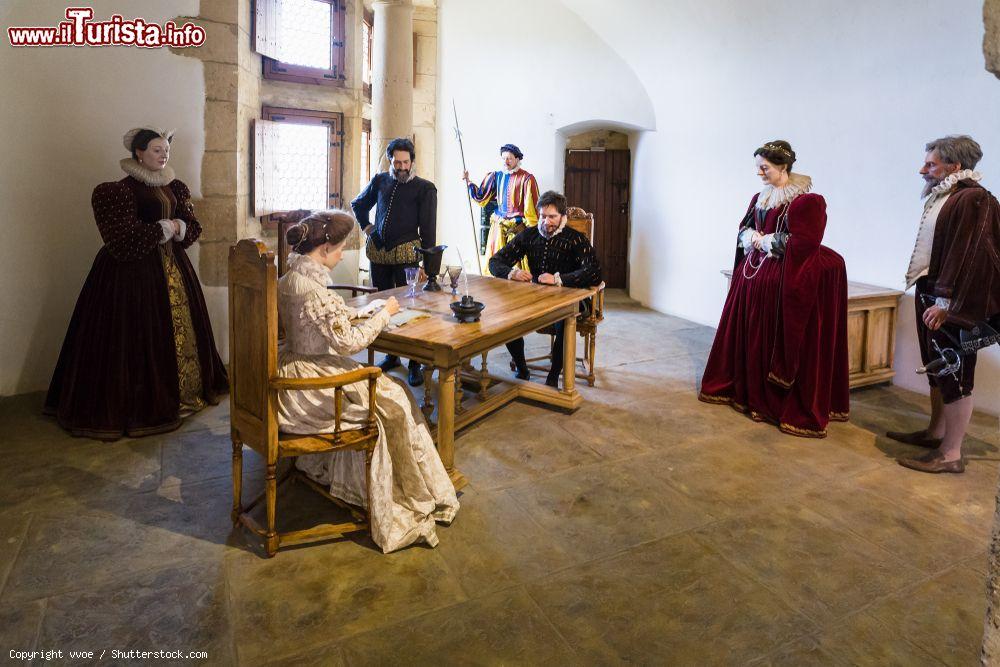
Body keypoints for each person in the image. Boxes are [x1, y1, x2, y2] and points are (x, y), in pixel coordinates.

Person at [277, 210, 459, 552]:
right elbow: (348, 343)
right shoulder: (312, 289)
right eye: (341, 248)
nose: (343, 254)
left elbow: (323, 317)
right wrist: (385, 316)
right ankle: (411, 491)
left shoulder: (293, 278)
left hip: (294, 364)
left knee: (394, 390)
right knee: (393, 397)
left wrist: (366, 310)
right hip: (309, 380)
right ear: (325, 247)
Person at [45, 127, 228, 440]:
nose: (163, 155)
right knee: (134, 337)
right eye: (156, 150)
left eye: (165, 150)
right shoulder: (115, 191)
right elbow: (121, 240)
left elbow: (193, 228)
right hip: (129, 277)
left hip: (173, 267)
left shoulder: (176, 187)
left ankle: (186, 391)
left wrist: (180, 227)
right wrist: (163, 228)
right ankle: (138, 405)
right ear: (139, 153)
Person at [699, 140, 850, 437]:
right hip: (753, 277)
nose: (759, 173)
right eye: (758, 168)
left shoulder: (807, 201)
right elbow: (742, 228)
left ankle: (777, 399)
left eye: (764, 167)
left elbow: (805, 242)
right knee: (750, 336)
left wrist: (767, 241)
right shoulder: (760, 197)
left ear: (782, 166)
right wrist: (752, 236)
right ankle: (746, 390)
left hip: (782, 277)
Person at [891, 135, 1000, 473]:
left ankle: (951, 454)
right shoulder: (950, 195)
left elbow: (968, 256)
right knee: (938, 370)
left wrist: (947, 303)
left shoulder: (973, 199)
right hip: (933, 290)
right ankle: (935, 432)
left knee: (956, 373)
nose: (923, 169)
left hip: (951, 299)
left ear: (954, 167)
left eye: (931, 164)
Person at [489, 190, 602, 387]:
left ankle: (553, 377)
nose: (546, 221)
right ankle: (523, 369)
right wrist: (512, 272)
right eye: (542, 216)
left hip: (571, 296)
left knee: (564, 321)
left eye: (552, 217)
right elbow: (495, 261)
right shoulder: (529, 235)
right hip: (535, 296)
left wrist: (559, 279)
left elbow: (594, 272)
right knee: (509, 319)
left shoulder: (576, 239)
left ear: (562, 217)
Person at [351, 137, 436, 387]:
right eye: (397, 162)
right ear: (391, 160)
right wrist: (367, 227)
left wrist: (427, 267)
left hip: (407, 255)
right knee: (383, 306)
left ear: (412, 161)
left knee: (410, 309)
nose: (401, 167)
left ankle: (414, 363)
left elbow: (428, 230)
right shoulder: (380, 180)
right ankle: (392, 355)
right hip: (379, 254)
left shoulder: (425, 188)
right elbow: (358, 204)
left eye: (405, 162)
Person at [464, 143, 540, 268]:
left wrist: (533, 231)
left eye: (509, 158)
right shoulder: (496, 176)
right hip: (498, 227)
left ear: (517, 159)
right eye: (504, 158)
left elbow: (532, 208)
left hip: (517, 228)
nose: (506, 161)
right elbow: (482, 196)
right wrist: (469, 182)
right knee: (496, 259)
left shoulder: (527, 179)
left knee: (516, 263)